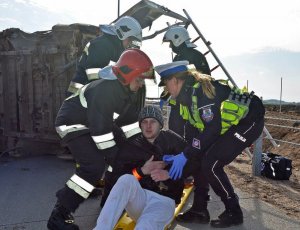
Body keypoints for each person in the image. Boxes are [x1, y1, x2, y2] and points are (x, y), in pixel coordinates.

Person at [47, 49, 155, 230]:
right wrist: (116, 157)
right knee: (94, 166)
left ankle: (110, 199)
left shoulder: (130, 92)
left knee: (124, 154)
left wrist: (143, 148)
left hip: (95, 123)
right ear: (127, 76)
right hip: (73, 124)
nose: (141, 84)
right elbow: (101, 133)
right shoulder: (104, 90)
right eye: (139, 79)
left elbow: (129, 126)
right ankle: (59, 216)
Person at [155, 61, 265, 228]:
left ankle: (234, 211)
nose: (166, 90)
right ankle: (199, 211)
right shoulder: (186, 99)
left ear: (175, 81)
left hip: (248, 122)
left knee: (211, 164)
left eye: (166, 85)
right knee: (201, 158)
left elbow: (213, 129)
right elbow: (194, 142)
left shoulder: (201, 93)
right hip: (227, 125)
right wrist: (182, 156)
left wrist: (185, 155)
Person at [94, 105, 187, 230]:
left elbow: (195, 162)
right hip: (139, 199)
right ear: (140, 125)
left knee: (145, 226)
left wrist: (170, 173)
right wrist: (141, 171)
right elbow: (116, 178)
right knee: (126, 179)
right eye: (144, 122)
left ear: (160, 125)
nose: (148, 126)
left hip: (164, 201)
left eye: (153, 121)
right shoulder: (132, 145)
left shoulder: (172, 139)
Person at [67, 16, 143, 96]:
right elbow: (90, 74)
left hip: (89, 94)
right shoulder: (101, 45)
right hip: (78, 95)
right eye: (130, 40)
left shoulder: (117, 49)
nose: (130, 44)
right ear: (122, 33)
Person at [161, 26, 211, 136]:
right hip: (180, 103)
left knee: (191, 133)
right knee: (175, 132)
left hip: (193, 103)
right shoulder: (178, 58)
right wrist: (165, 95)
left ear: (177, 39)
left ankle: (187, 153)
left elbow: (206, 78)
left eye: (170, 42)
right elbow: (173, 79)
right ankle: (178, 152)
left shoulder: (195, 56)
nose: (170, 46)